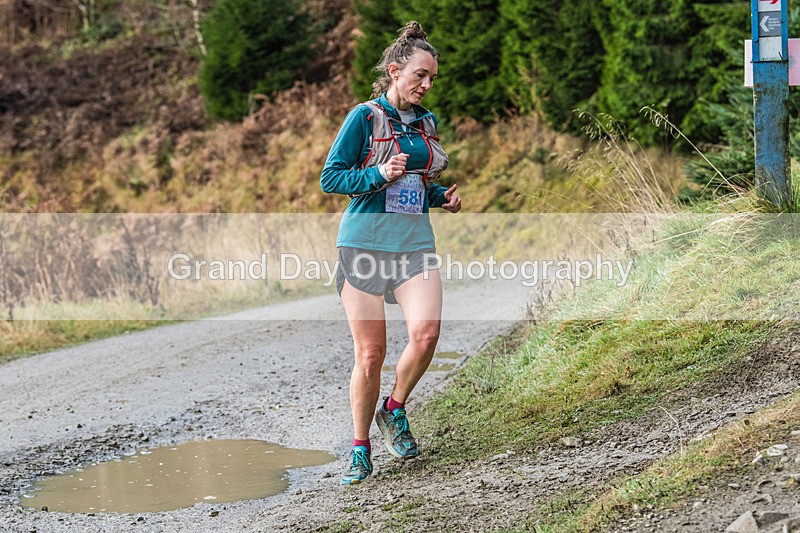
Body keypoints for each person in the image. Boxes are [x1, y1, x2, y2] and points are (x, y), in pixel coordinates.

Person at [320, 21, 462, 485]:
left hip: (414, 245)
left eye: (432, 79)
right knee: (371, 354)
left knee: (426, 333)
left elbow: (416, 182)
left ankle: (394, 409)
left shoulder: (426, 123)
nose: (426, 85)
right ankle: (360, 449)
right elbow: (333, 178)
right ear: (395, 71)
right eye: (420, 76)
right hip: (362, 244)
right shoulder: (364, 117)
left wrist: (441, 197)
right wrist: (377, 174)